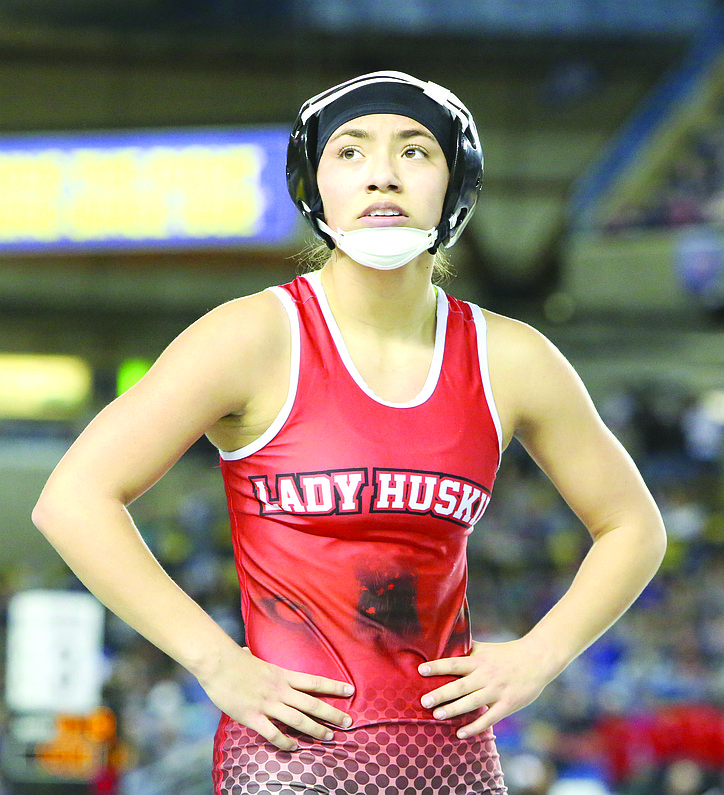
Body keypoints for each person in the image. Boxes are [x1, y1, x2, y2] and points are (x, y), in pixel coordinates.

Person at [32, 70, 667, 794]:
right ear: (314, 187)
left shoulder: (511, 357)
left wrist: (539, 655)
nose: (383, 176)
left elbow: (634, 527)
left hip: (450, 761)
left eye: (416, 151)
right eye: (351, 152)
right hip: (285, 759)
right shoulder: (253, 336)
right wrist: (215, 660)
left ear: (456, 186)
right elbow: (73, 499)